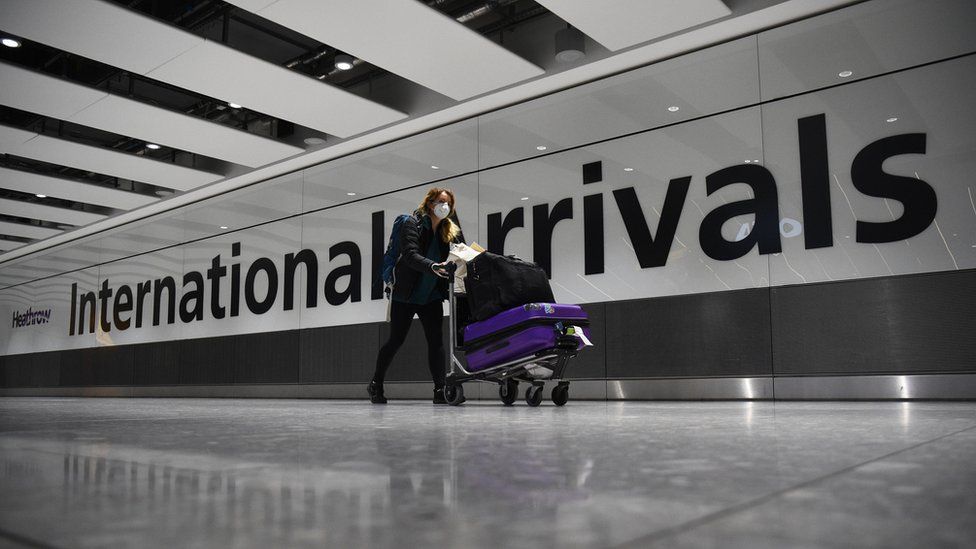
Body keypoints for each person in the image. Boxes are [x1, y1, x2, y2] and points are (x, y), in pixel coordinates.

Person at [368, 187, 464, 404]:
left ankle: (440, 390)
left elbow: (457, 254)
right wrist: (433, 266)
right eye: (440, 201)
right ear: (430, 203)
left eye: (448, 203)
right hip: (406, 293)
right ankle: (376, 383)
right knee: (396, 340)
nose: (444, 206)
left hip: (431, 295)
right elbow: (410, 255)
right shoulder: (412, 224)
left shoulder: (448, 231)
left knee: (436, 342)